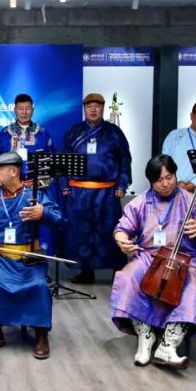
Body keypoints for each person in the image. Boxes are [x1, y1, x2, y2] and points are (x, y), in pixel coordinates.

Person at [109, 155, 196, 369]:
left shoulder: (192, 201)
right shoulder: (140, 202)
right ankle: (145, 335)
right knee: (127, 277)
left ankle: (169, 343)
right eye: (159, 180)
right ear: (151, 182)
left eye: (169, 177)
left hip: (184, 259)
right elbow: (122, 228)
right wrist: (122, 241)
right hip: (149, 256)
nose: (166, 183)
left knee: (193, 286)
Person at [0, 151, 64, 359]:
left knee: (39, 286)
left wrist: (43, 213)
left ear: (14, 171)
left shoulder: (35, 196)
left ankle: (41, 333)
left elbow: (60, 222)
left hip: (28, 258)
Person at [61, 92, 133, 284]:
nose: (93, 109)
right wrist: (64, 184)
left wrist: (122, 183)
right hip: (79, 192)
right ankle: (85, 272)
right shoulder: (74, 132)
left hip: (107, 193)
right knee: (81, 232)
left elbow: (125, 159)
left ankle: (118, 271)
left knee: (111, 231)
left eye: (97, 106)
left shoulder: (114, 133)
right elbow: (63, 160)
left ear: (103, 108)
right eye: (89, 106)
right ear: (84, 108)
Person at [0, 93, 55, 186]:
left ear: (32, 110)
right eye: (20, 108)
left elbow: (52, 159)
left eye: (28, 108)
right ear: (15, 110)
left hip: (37, 187)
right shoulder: (5, 134)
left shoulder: (42, 133)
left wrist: (41, 182)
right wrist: (3, 177)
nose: (24, 112)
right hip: (11, 187)